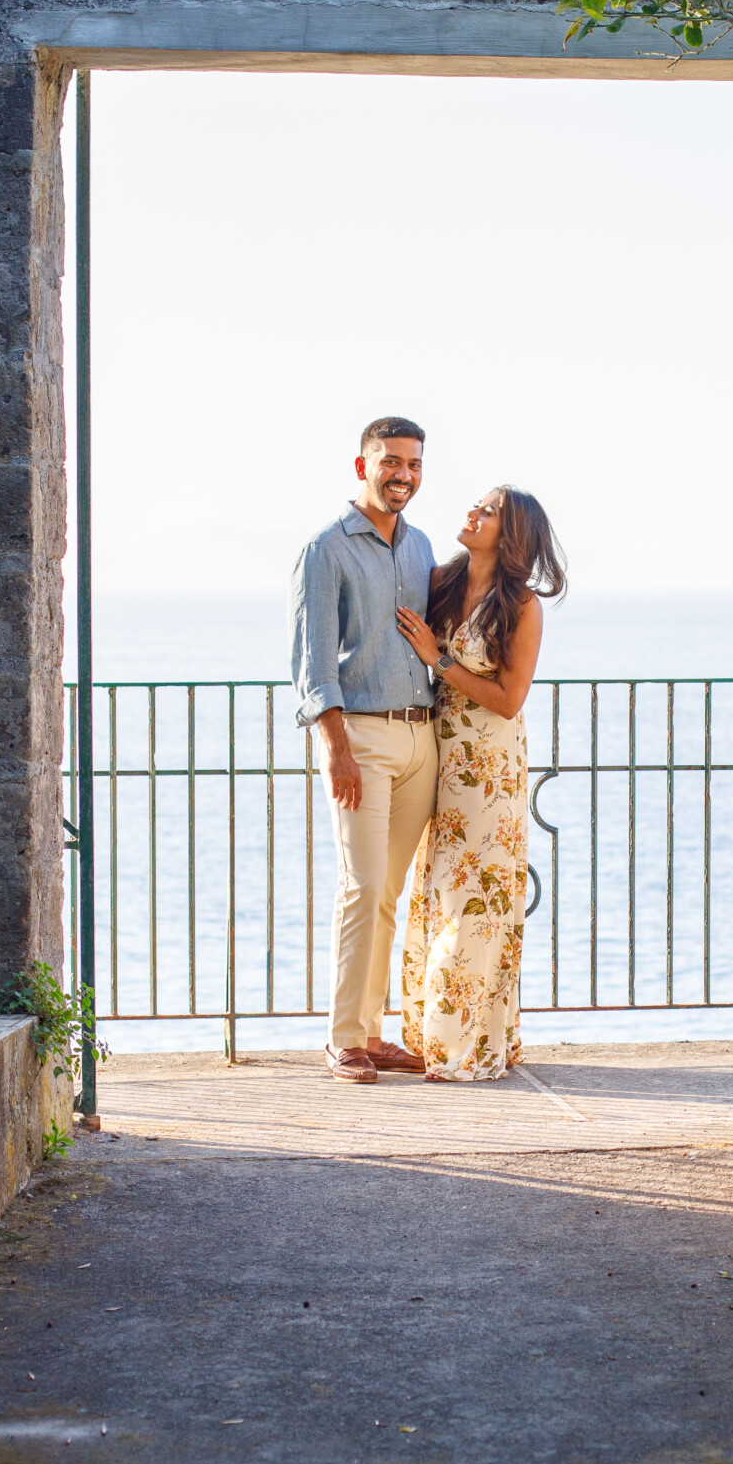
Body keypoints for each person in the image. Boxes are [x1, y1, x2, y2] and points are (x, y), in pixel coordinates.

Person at [393, 487, 566, 1081]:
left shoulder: (521, 606)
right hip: (432, 756)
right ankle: (426, 1034)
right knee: (437, 894)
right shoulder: (440, 579)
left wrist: (438, 660)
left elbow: (509, 699)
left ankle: (463, 1042)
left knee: (478, 902)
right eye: (477, 505)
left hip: (488, 771)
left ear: (511, 532)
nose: (472, 513)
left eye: (488, 511)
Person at [291, 418, 439, 1084]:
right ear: (362, 465)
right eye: (390, 462)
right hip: (363, 740)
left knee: (390, 891)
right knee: (364, 884)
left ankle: (374, 1033)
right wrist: (336, 748)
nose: (402, 474)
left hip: (421, 736)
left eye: (412, 463)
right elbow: (313, 662)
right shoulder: (326, 549)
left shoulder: (421, 547)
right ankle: (343, 1037)